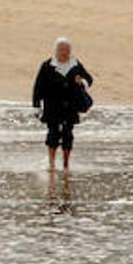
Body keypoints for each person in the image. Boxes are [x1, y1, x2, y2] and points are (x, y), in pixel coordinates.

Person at [32, 38, 94, 171]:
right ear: (56, 51)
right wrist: (36, 106)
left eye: (67, 50)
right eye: (61, 49)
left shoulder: (75, 64)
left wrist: (82, 81)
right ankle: (52, 163)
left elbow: (89, 79)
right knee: (53, 133)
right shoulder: (47, 65)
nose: (64, 52)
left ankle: (66, 163)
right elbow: (38, 87)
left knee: (68, 134)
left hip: (70, 106)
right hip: (52, 105)